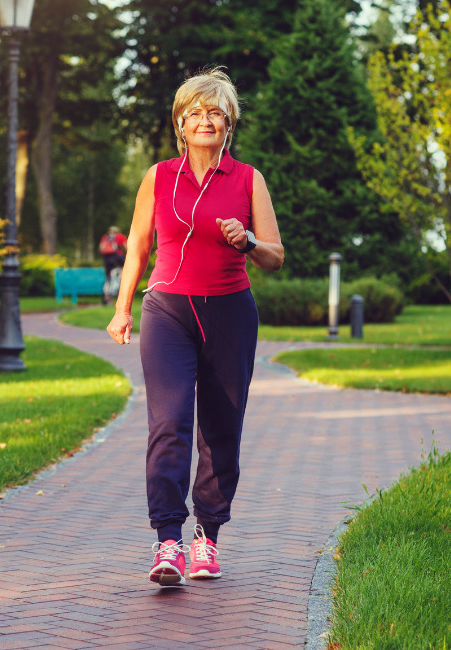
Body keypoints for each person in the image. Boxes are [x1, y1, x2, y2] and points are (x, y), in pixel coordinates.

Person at [106, 67, 284, 586]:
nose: (205, 120)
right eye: (194, 113)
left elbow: (275, 256)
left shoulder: (249, 179)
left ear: (229, 124)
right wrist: (121, 309)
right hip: (167, 310)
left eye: (215, 113)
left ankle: (207, 536)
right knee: (169, 423)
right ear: (180, 124)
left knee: (220, 430)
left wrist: (247, 239)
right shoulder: (158, 176)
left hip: (230, 311)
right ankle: (167, 539)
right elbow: (138, 245)